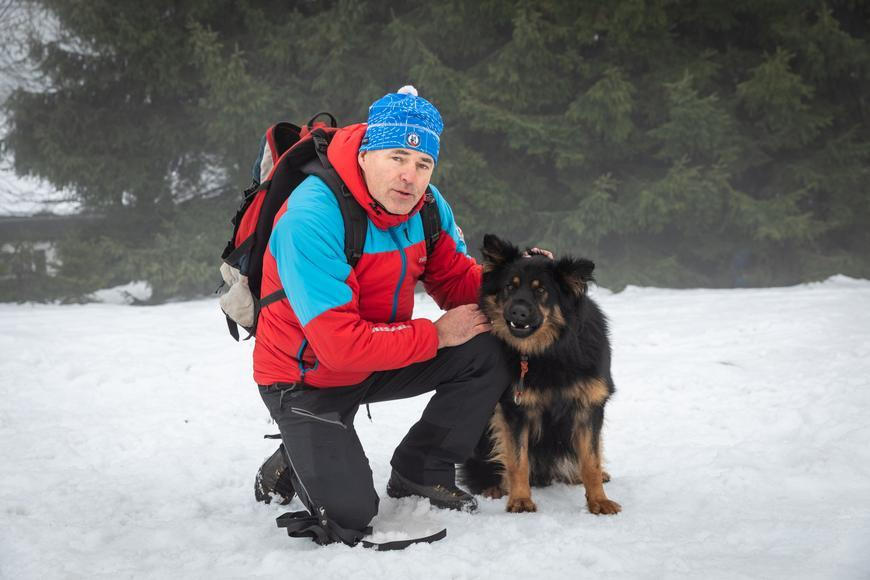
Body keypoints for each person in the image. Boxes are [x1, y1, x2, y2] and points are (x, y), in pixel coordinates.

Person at [252, 86, 511, 538]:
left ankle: (421, 468)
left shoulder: (427, 207)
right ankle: (296, 451)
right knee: (350, 516)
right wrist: (435, 336)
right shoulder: (311, 217)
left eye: (423, 164)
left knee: (489, 346)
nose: (410, 177)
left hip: (379, 355)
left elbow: (456, 282)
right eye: (396, 157)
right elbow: (340, 348)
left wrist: (519, 278)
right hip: (306, 377)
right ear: (366, 154)